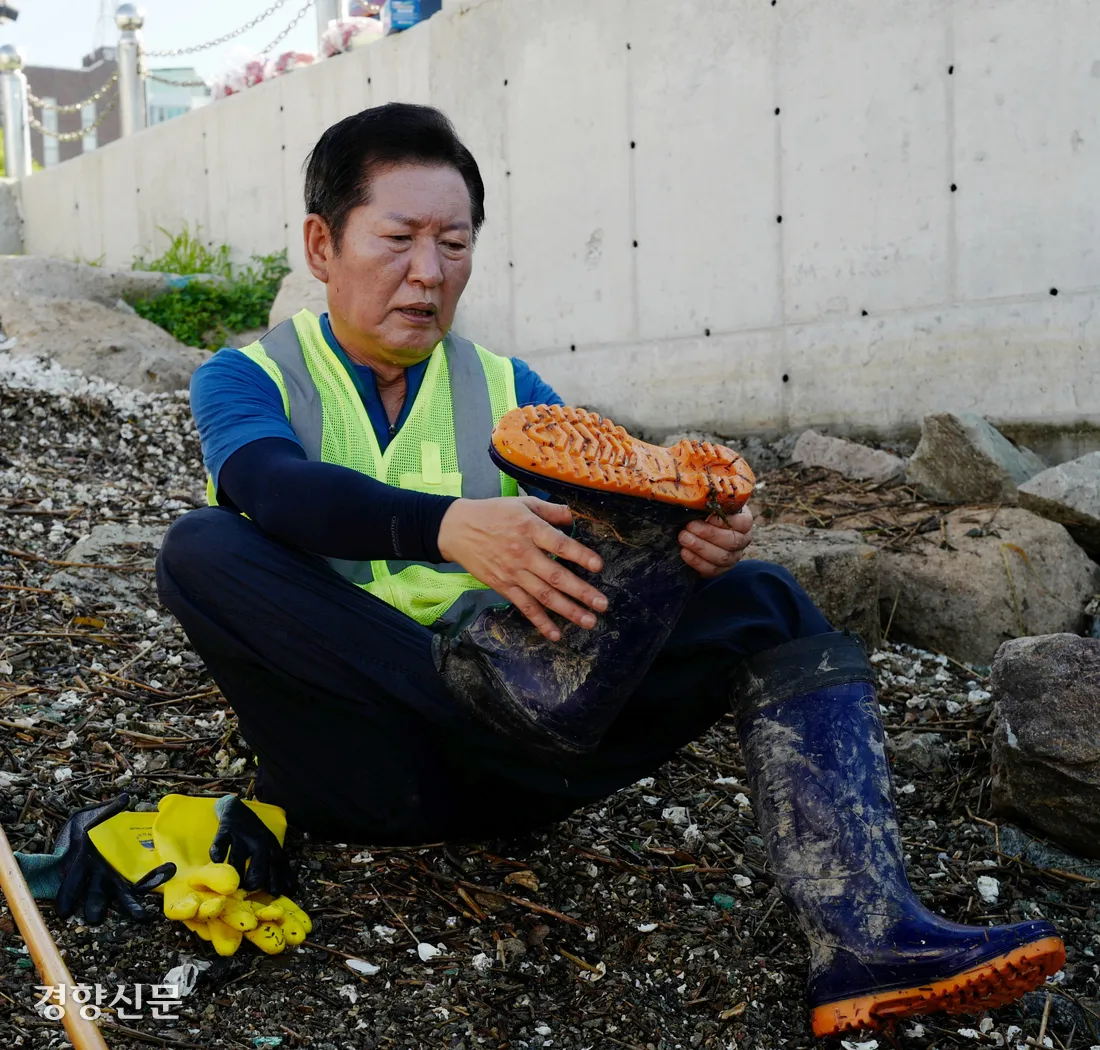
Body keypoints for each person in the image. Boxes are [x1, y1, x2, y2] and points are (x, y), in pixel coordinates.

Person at [156, 103, 1062, 1035]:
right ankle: (493, 699)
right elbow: (273, 488)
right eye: (399, 239)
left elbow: (630, 509)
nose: (429, 272)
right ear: (322, 244)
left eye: (455, 244)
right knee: (202, 547)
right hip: (360, 768)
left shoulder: (509, 392)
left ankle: (868, 939)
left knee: (765, 598)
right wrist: (450, 528)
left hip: (521, 750)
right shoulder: (250, 375)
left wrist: (694, 536)